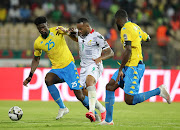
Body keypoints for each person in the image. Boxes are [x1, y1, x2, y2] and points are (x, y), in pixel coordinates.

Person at [100, 9, 171, 125]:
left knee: (129, 100)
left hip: (133, 67)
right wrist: (137, 42)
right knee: (110, 87)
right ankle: (108, 121)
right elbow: (148, 38)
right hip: (129, 65)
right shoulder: (136, 27)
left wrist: (120, 69)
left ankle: (159, 90)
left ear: (118, 20)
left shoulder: (125, 29)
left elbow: (127, 50)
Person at [23, 16, 97, 120]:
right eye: (39, 28)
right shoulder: (38, 43)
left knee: (80, 96)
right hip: (57, 69)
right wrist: (30, 75)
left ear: (47, 25)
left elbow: (72, 34)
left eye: (44, 27)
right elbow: (36, 59)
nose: (42, 30)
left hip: (69, 66)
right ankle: (63, 108)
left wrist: (70, 31)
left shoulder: (57, 30)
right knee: (48, 79)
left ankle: (94, 113)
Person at [56, 18, 114, 122]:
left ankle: (91, 111)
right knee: (82, 93)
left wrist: (100, 58)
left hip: (94, 64)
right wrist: (67, 32)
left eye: (81, 29)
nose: (79, 31)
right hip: (84, 66)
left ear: (88, 27)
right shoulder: (81, 34)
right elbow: (76, 38)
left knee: (89, 82)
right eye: (78, 29)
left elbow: (110, 52)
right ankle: (102, 109)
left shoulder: (97, 36)